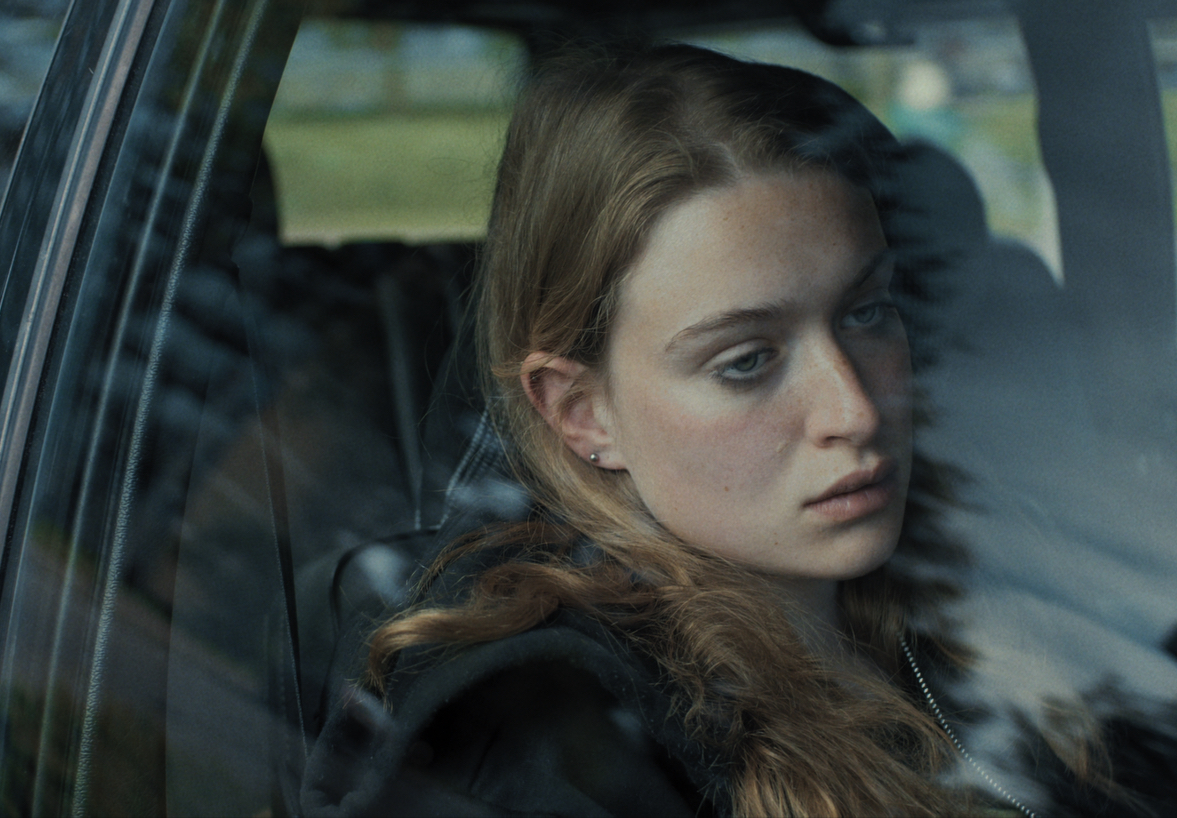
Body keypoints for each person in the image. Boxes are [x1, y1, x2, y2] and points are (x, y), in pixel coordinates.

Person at [296, 43, 998, 817]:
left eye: (866, 312)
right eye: (745, 362)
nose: (855, 411)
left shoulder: (967, 574)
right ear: (582, 413)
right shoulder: (552, 734)